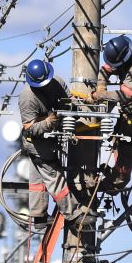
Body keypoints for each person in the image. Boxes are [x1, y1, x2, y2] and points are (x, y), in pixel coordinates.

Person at [19, 58, 93, 229]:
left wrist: (77, 109)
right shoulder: (27, 97)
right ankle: (74, 216)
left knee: (37, 181)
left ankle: (38, 217)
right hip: (37, 143)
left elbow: (69, 101)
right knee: (55, 178)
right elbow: (29, 129)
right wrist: (48, 122)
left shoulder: (56, 82)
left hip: (52, 137)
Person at [87, 35, 132, 190]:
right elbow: (105, 70)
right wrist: (101, 87)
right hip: (128, 110)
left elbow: (124, 96)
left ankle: (113, 185)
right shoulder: (124, 58)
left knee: (125, 154)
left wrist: (98, 96)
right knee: (114, 140)